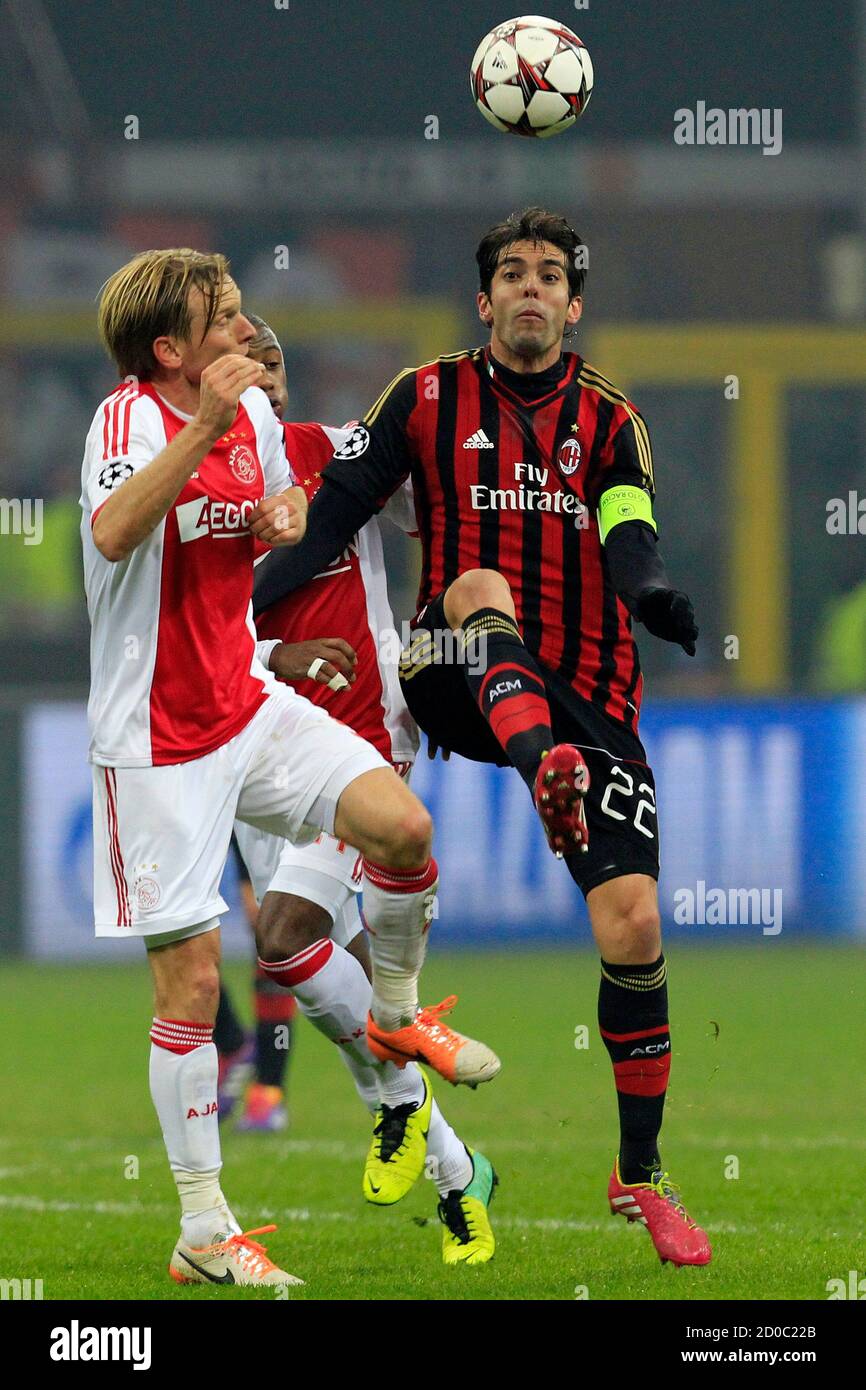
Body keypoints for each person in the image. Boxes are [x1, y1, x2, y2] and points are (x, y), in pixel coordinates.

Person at [252, 208, 710, 1269]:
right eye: (511, 273)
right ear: (483, 298)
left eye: (551, 275)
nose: (530, 290)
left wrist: (647, 592)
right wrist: (248, 608)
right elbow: (330, 513)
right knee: (474, 584)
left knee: (632, 922)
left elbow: (627, 525)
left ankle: (639, 1175)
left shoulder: (607, 417)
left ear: (574, 302)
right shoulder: (422, 395)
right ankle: (535, 765)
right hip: (448, 666)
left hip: (587, 686)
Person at [81, 249, 497, 1289]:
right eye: (220, 318)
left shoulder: (266, 424)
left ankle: (396, 1011)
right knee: (191, 983)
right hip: (156, 737)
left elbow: (288, 514)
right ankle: (204, 1225)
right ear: (171, 349)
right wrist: (207, 431)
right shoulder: (124, 422)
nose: (246, 332)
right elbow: (116, 528)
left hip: (250, 702)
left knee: (399, 827)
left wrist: (282, 516)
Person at [229, 314, 496, 1264]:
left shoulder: (336, 453)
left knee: (283, 939)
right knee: (326, 994)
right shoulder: (195, 491)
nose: (267, 367)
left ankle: (407, 1036)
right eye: (245, 352)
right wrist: (275, 651)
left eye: (278, 357)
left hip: (357, 744)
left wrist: (426, 634)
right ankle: (459, 1171)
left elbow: (443, 512)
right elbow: (180, 635)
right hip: (251, 759)